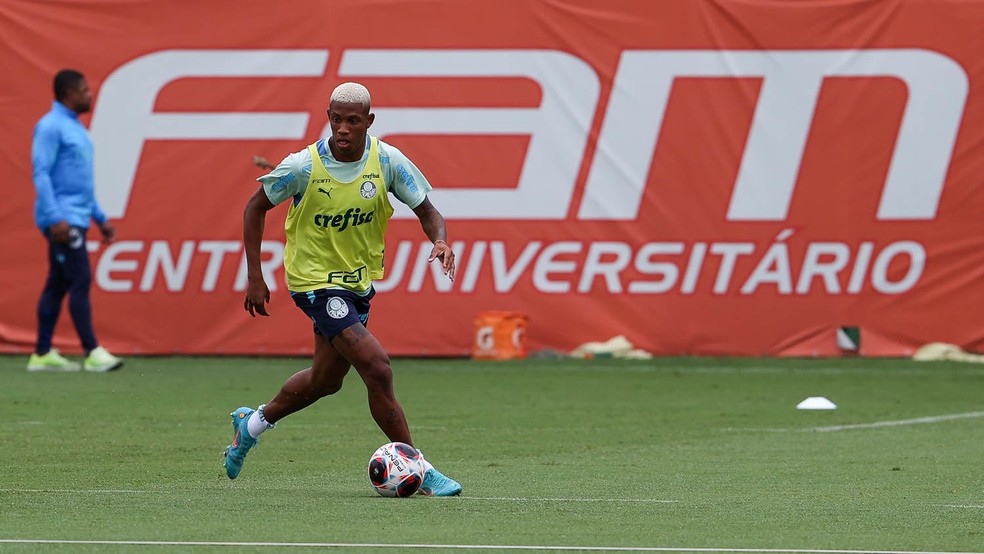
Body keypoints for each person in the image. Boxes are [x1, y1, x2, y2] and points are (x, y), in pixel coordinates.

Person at [225, 82, 462, 496]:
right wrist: (255, 276)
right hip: (314, 282)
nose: (343, 129)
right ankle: (419, 468)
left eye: (353, 121)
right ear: (329, 118)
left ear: (369, 122)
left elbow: (428, 211)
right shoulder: (304, 166)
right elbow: (254, 207)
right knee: (377, 367)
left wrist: (440, 241)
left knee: (325, 381)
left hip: (357, 284)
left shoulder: (386, 161)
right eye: (337, 120)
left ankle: (252, 424)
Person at [27, 69, 123, 373]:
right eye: (84, 89)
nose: (89, 94)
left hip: (76, 216)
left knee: (58, 283)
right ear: (69, 93)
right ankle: (92, 350)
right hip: (63, 220)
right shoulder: (50, 127)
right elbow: (41, 172)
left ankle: (42, 353)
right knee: (80, 278)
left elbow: (79, 184)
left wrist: (100, 218)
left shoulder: (76, 129)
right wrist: (55, 218)